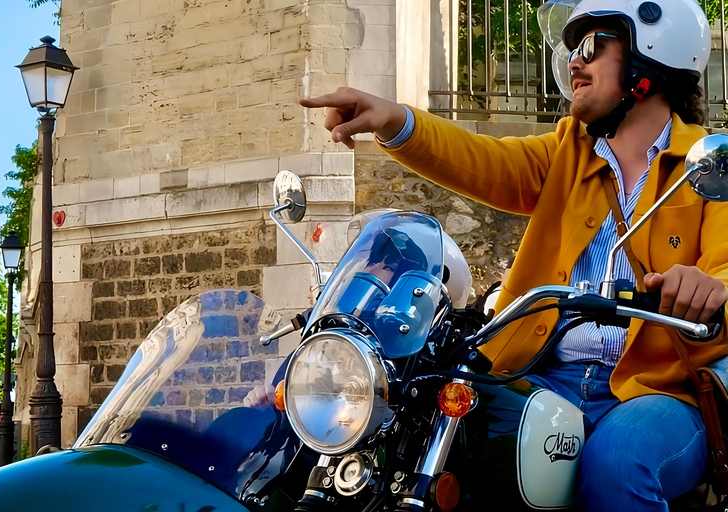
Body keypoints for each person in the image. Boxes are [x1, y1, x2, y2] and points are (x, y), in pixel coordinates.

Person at [293, 0, 728, 510]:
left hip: (658, 389)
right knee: (434, 441)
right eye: (570, 49)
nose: (574, 62)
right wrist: (394, 121)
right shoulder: (567, 150)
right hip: (542, 374)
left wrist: (712, 287)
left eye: (591, 45)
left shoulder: (710, 163)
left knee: (619, 460)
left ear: (650, 57)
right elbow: (483, 161)